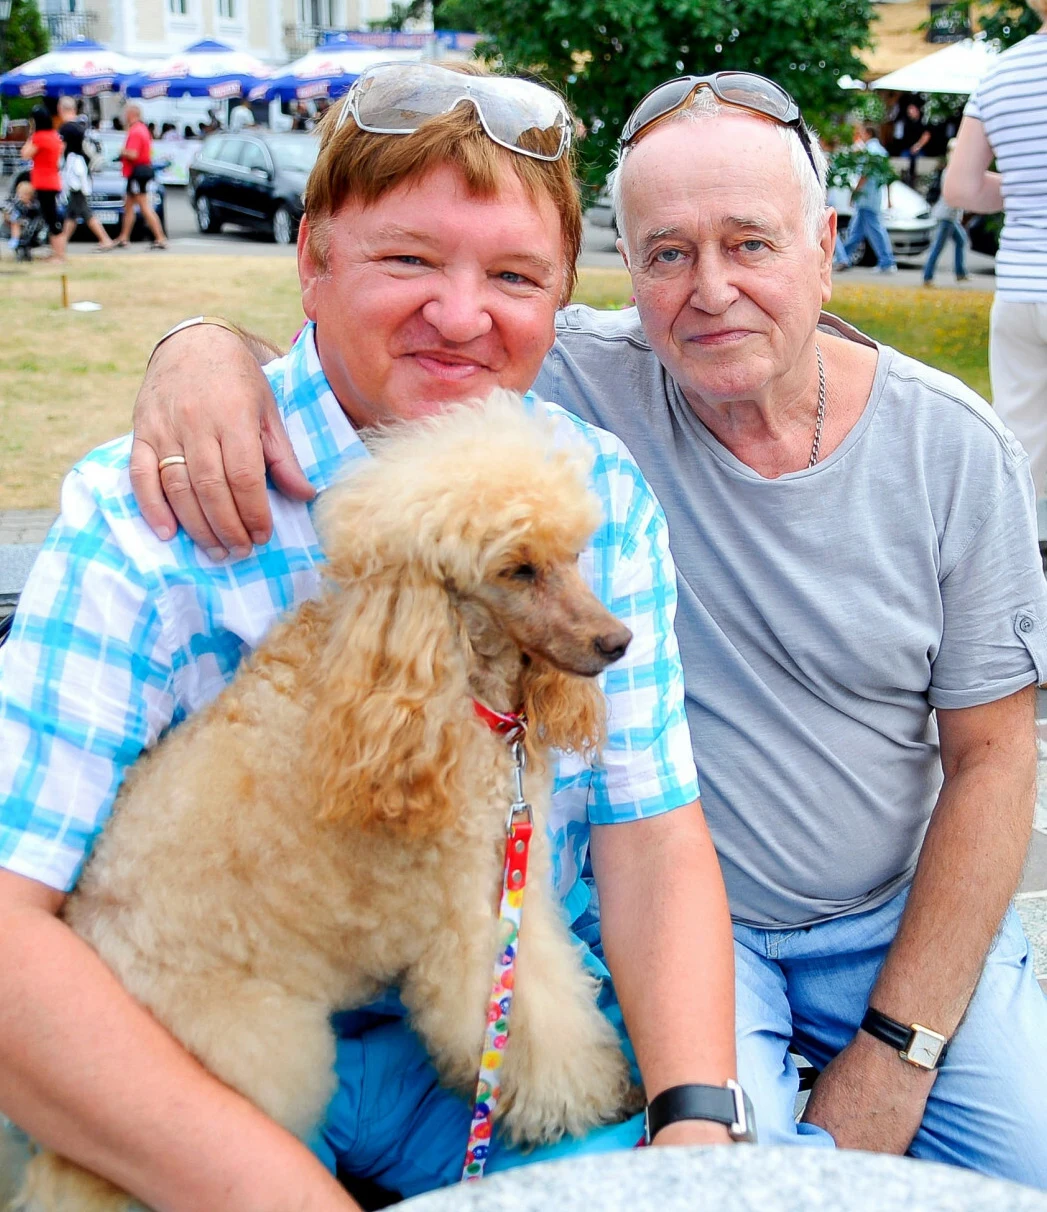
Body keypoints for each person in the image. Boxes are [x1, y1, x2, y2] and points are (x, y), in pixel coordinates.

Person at [133, 69, 1047, 1188]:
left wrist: (898, 1053)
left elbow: (996, 761)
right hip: (695, 932)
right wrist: (198, 347)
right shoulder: (565, 383)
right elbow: (374, 332)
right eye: (666, 253)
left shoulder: (951, 450)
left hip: (895, 913)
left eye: (750, 244)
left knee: (1026, 1166)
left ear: (824, 247)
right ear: (622, 277)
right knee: (744, 1175)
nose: (710, 291)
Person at [0, 63, 737, 1212]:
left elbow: (650, 833)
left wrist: (697, 1125)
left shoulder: (590, 491)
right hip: (196, 1045)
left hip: (489, 1036)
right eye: (408, 260)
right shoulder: (146, 521)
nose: (462, 315)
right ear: (311, 260)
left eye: (514, 276)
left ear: (560, 297)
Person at [945, 0, 1047, 502]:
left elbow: (961, 188)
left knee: (1026, 452)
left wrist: (1027, 187)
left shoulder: (999, 74)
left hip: (1020, 291)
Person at [834, 123, 898, 273]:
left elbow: (864, 175)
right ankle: (843, 259)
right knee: (856, 232)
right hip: (874, 197)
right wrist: (889, 198)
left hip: (866, 197)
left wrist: (855, 192)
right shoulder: (881, 151)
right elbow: (888, 176)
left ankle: (887, 262)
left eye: (862, 133)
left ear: (868, 133)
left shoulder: (869, 151)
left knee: (875, 230)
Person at [56, 96, 115, 252]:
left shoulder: (66, 128)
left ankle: (105, 239)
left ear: (61, 109)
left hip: (74, 175)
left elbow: (60, 149)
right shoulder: (82, 127)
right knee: (72, 212)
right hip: (83, 173)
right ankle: (61, 243)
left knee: (83, 210)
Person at [113, 102, 168, 250]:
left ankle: (160, 237)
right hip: (137, 172)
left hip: (138, 171)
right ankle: (124, 237)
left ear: (131, 114)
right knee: (129, 205)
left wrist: (122, 151)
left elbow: (134, 154)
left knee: (143, 205)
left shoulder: (136, 131)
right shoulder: (142, 129)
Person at [19, 106, 65, 263]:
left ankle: (59, 255)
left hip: (43, 182)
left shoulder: (39, 137)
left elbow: (25, 154)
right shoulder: (54, 135)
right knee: (51, 216)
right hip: (53, 180)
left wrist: (31, 135)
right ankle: (56, 253)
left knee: (51, 219)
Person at [921, 143, 967, 287]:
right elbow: (951, 195)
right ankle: (928, 276)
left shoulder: (953, 170)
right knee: (938, 247)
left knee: (961, 240)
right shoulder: (951, 171)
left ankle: (960, 272)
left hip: (950, 215)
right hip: (947, 214)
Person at [898, 101, 931, 186]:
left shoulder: (923, 121)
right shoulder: (906, 121)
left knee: (920, 164)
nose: (910, 113)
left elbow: (926, 135)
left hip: (920, 149)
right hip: (908, 149)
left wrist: (918, 146)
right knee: (903, 160)